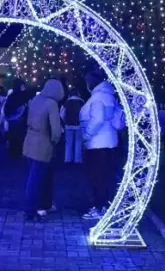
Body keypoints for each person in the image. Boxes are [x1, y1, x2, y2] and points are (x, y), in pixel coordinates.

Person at [79, 70, 120, 220]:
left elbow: (97, 119)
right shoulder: (111, 97)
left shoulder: (97, 98)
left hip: (97, 144)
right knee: (106, 176)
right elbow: (117, 123)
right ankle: (104, 205)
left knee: (96, 177)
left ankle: (98, 207)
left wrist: (87, 135)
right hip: (110, 143)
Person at [23, 79, 64, 220]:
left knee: (37, 177)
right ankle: (32, 209)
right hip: (43, 144)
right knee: (39, 179)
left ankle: (44, 205)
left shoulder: (36, 99)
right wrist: (55, 142)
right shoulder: (52, 103)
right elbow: (56, 130)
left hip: (29, 142)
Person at [3, 79, 34, 159]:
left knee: (14, 137)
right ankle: (20, 152)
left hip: (13, 120)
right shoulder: (25, 96)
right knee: (21, 137)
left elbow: (6, 109)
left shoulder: (12, 96)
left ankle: (13, 152)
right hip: (22, 120)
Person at [60, 87, 85, 164]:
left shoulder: (67, 102)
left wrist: (65, 121)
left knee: (68, 143)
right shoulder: (82, 102)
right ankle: (77, 160)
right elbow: (84, 114)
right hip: (79, 125)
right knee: (78, 142)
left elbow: (62, 113)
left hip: (68, 125)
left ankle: (68, 159)